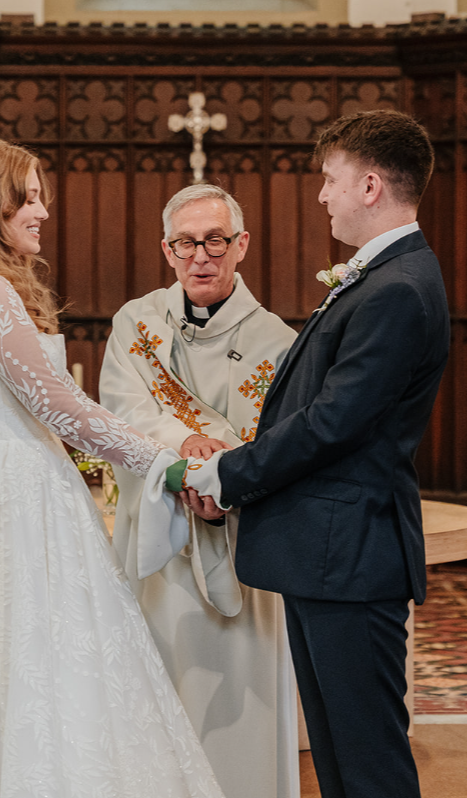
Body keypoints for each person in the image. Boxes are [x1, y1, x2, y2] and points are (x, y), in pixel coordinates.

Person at [0, 136, 227, 798]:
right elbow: (62, 408)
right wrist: (167, 465)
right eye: (28, 198)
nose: (41, 212)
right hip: (22, 493)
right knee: (45, 655)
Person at [172, 110, 450, 798]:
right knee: (337, 757)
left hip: (351, 557)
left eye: (331, 179)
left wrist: (228, 472)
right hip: (331, 556)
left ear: (371, 185)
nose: (322, 194)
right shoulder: (384, 276)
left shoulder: (398, 288)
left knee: (369, 765)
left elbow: (333, 423)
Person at [99, 184, 300, 798]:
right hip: (159, 541)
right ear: (167, 249)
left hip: (240, 544)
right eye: (186, 243)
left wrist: (224, 477)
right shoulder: (135, 323)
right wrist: (187, 457)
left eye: (215, 240)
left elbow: (283, 438)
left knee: (238, 712)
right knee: (160, 695)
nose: (200, 256)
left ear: (241, 245)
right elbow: (120, 408)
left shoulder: (280, 342)